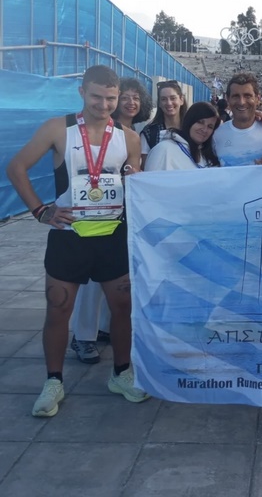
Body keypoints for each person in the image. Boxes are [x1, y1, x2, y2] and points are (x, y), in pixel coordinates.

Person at [6, 65, 150, 417]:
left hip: (112, 235)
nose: (104, 105)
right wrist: (40, 210)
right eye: (97, 96)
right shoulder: (58, 128)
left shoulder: (129, 139)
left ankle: (121, 373)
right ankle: (53, 381)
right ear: (82, 92)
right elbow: (16, 167)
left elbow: (133, 183)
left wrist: (135, 178)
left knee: (122, 308)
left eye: (111, 98)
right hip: (69, 235)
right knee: (58, 308)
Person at [69, 77, 153, 364]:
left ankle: (104, 327)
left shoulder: (139, 133)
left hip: (128, 213)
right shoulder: (96, 129)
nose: (131, 102)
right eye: (125, 97)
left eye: (136, 98)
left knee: (118, 277)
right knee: (92, 280)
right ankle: (82, 335)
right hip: (95, 213)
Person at [213, 72, 262, 167]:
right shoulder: (217, 135)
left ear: (258, 99)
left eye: (247, 96)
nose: (241, 102)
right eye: (236, 96)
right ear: (228, 99)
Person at [145, 102, 220, 170]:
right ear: (190, 121)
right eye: (200, 122)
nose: (204, 129)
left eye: (210, 126)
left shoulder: (208, 157)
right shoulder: (164, 150)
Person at [140, 79, 187, 167]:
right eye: (164, 99)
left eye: (173, 98)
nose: (169, 103)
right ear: (159, 103)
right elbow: (146, 167)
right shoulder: (150, 133)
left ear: (181, 100)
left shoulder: (192, 129)